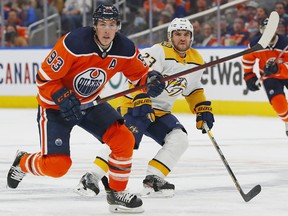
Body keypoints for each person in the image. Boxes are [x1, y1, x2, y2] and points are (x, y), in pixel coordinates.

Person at [6, 4, 165, 213]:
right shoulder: (73, 43)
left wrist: (150, 79)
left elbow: (140, 75)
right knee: (57, 166)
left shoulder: (124, 48)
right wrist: (61, 95)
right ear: (94, 26)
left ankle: (116, 194)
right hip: (55, 107)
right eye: (102, 24)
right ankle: (23, 161)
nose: (107, 30)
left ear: (118, 26)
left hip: (90, 104)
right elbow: (44, 79)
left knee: (124, 139)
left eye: (112, 25)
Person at [74, 18, 215, 198]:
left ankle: (154, 179)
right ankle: (91, 176)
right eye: (178, 34)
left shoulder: (197, 60)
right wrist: (141, 97)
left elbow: (193, 89)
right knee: (125, 140)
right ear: (169, 36)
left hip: (161, 112)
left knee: (179, 139)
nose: (182, 38)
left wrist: (201, 108)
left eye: (186, 35)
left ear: (192, 37)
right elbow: (138, 76)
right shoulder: (158, 52)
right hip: (136, 104)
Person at [242, 18, 288, 136]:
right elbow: (247, 59)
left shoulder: (285, 44)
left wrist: (279, 68)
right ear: (261, 30)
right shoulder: (254, 44)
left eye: (270, 30)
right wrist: (249, 75)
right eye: (265, 29)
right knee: (279, 105)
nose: (268, 33)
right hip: (270, 78)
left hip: (286, 74)